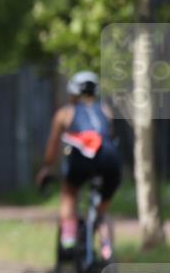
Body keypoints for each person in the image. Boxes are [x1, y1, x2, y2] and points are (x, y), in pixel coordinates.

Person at [35, 71, 120, 260]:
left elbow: (53, 146)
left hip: (82, 159)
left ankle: (68, 239)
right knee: (103, 211)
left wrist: (47, 167)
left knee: (69, 192)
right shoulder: (106, 110)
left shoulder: (66, 113)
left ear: (73, 92)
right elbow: (110, 137)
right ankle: (107, 250)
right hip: (110, 159)